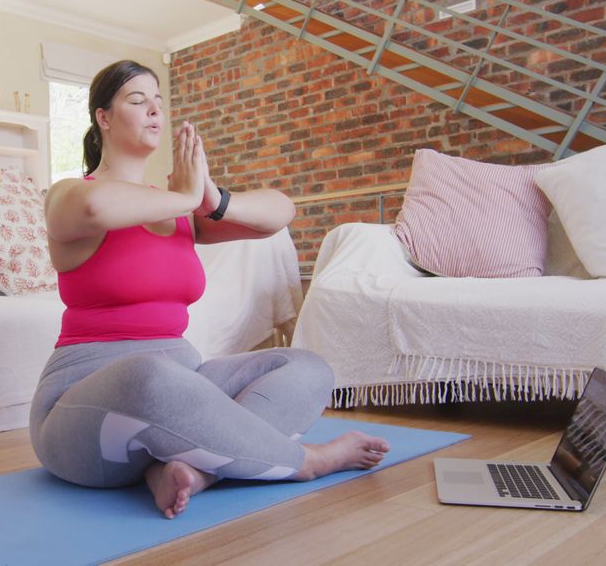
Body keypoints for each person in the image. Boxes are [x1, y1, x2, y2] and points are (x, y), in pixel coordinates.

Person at [29, 60, 390, 519]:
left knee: (307, 367)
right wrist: (186, 194)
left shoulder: (179, 209)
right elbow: (98, 207)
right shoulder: (69, 196)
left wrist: (212, 199)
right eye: (138, 101)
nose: (155, 111)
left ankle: (193, 470)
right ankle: (306, 462)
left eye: (159, 102)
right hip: (82, 420)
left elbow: (280, 213)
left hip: (183, 391)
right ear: (103, 117)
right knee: (150, 373)